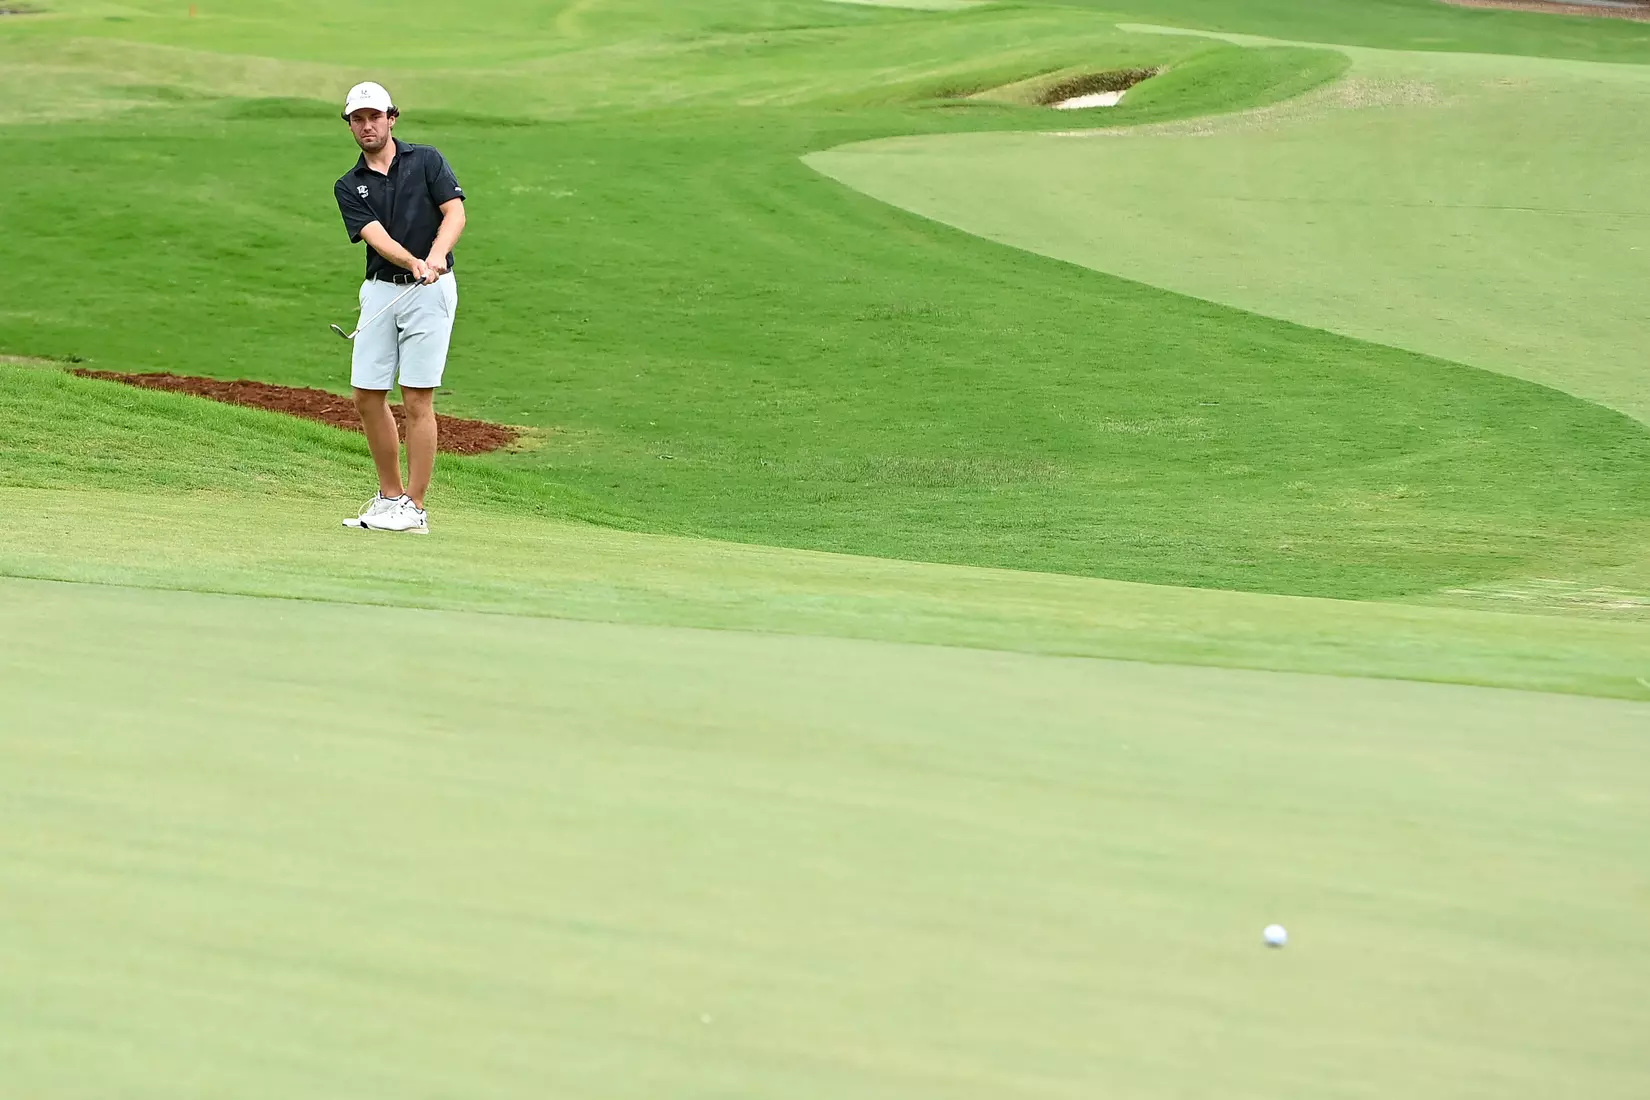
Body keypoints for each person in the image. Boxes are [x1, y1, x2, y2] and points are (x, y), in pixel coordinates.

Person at [333, 81, 467, 534]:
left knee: (416, 397)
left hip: (432, 291)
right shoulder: (349, 185)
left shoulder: (426, 160)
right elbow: (375, 236)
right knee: (366, 396)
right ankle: (390, 498)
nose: (367, 126)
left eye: (374, 117)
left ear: (392, 118)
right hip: (380, 289)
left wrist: (434, 256)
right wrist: (412, 260)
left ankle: (416, 505)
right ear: (350, 125)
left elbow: (454, 213)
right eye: (358, 119)